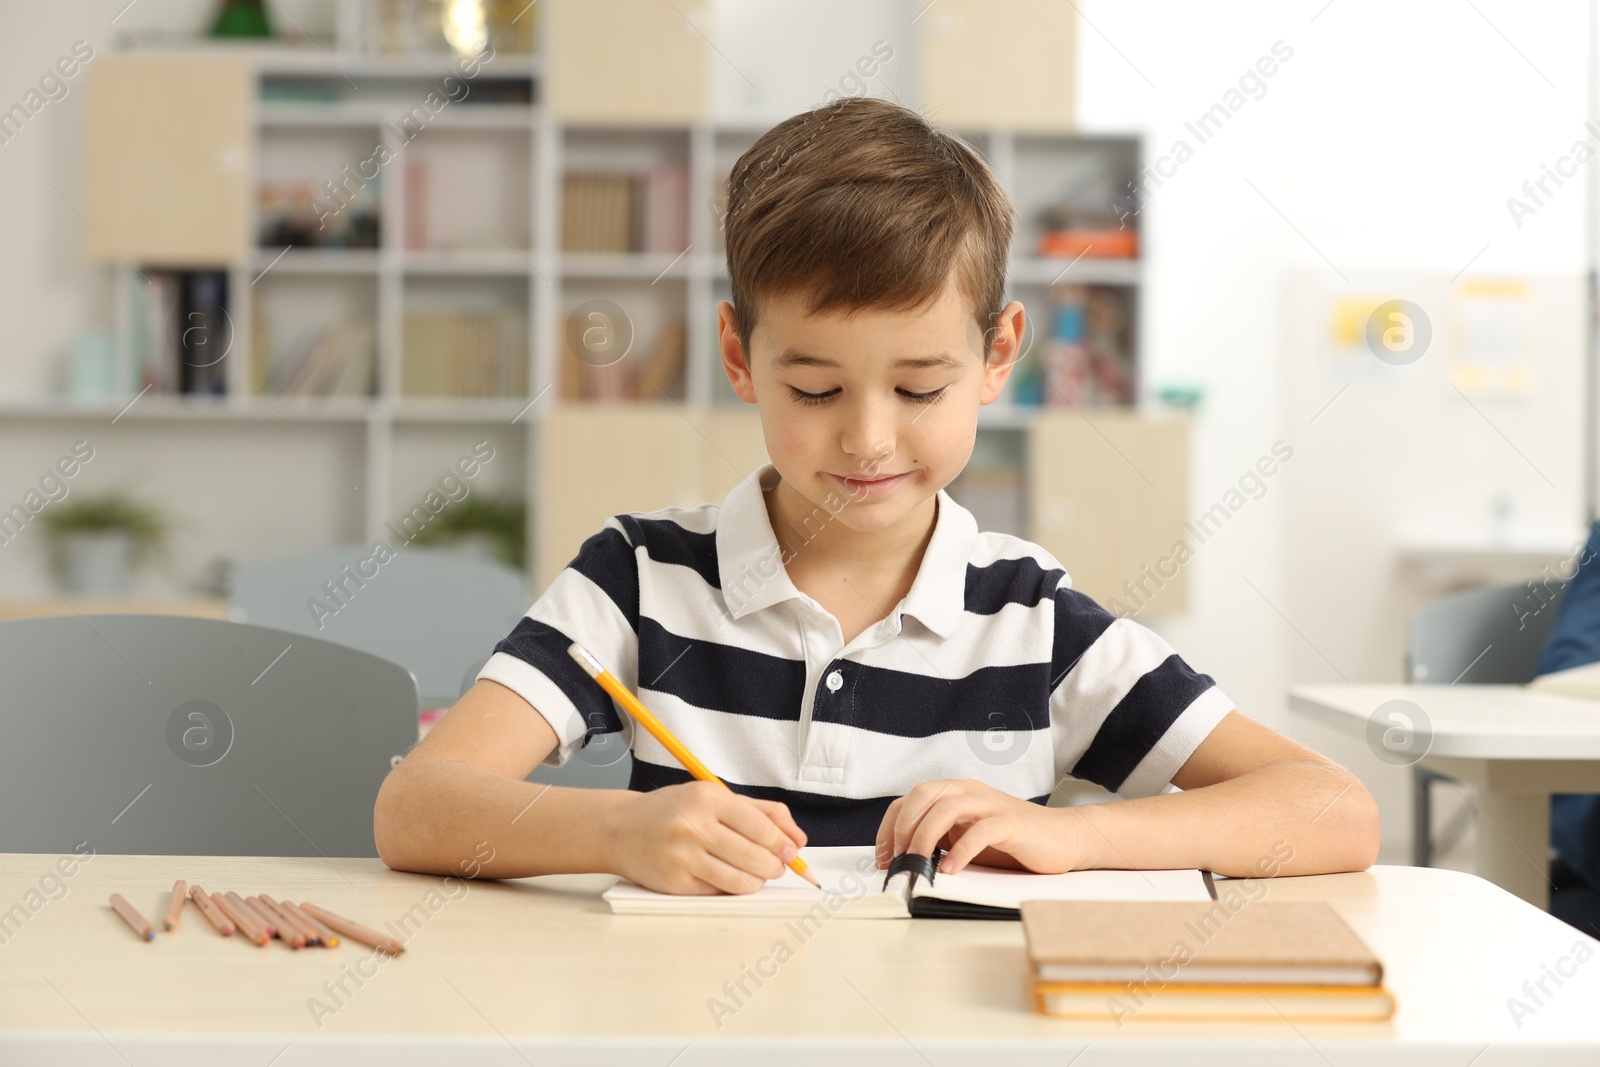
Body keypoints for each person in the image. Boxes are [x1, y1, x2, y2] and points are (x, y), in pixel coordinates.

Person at [374, 97, 1379, 894]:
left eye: (917, 387)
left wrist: (1075, 833)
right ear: (739, 354)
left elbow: (1331, 808)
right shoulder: (639, 577)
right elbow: (416, 804)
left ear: (997, 355)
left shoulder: (1028, 617)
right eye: (814, 388)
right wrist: (615, 828)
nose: (865, 437)